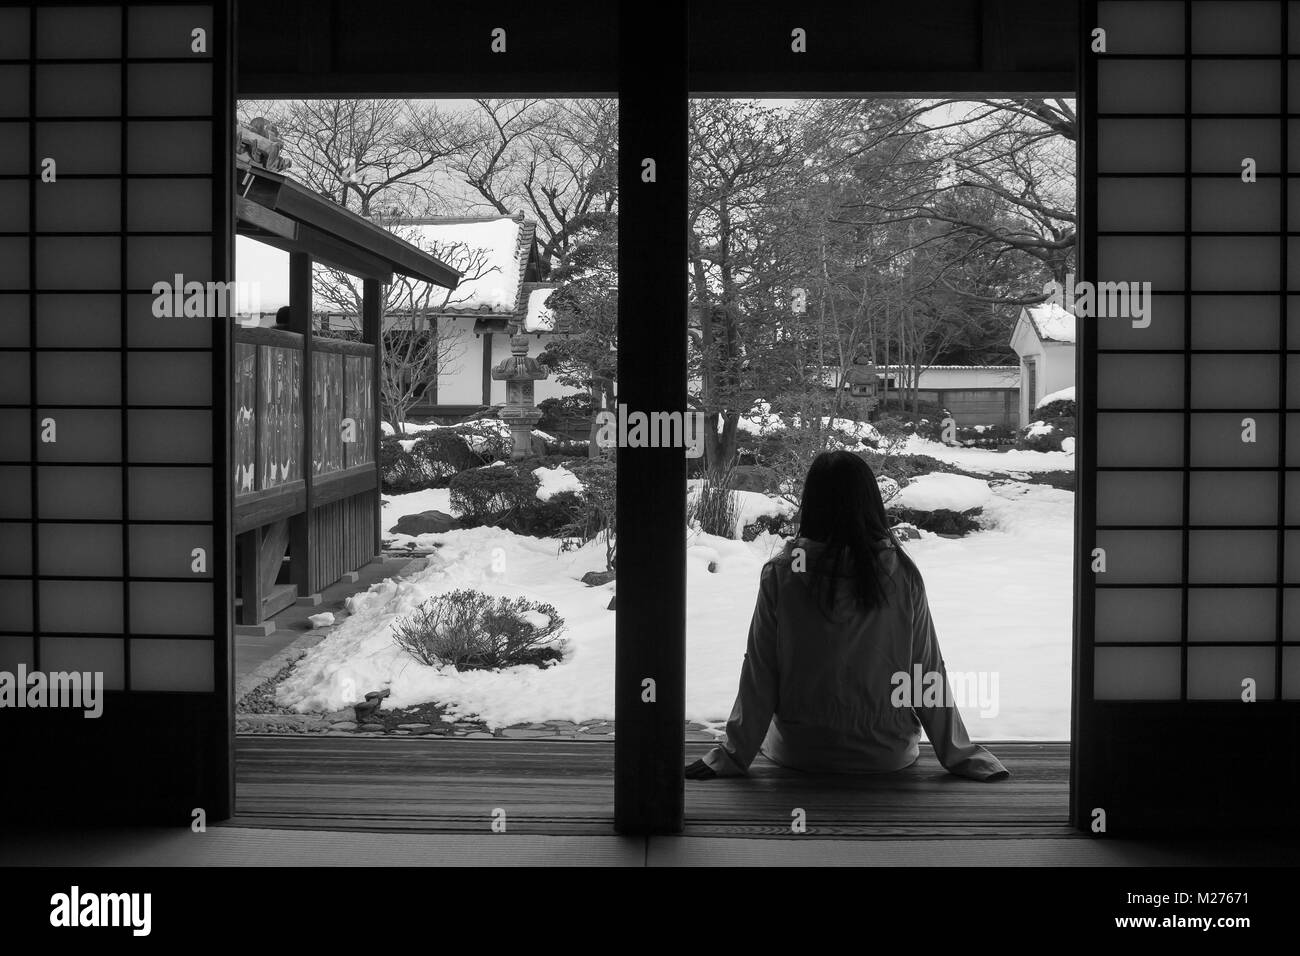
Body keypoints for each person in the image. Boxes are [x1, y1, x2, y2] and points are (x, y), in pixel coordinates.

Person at [687, 450, 1008, 782]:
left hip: (799, 751)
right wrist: (959, 753)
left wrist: (733, 755)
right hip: (886, 752)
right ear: (870, 503)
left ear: (810, 504)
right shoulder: (900, 574)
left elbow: (760, 670)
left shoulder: (783, 575)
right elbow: (926, 672)